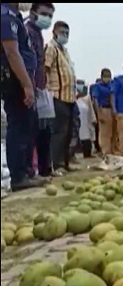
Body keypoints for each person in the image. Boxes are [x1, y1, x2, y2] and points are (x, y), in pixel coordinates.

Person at [1, 2, 45, 190]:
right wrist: (26, 84)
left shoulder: (14, 15)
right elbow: (12, 52)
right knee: (19, 126)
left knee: (28, 125)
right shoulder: (5, 15)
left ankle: (27, 173)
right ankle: (18, 177)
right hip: (15, 79)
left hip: (23, 77)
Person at [25, 2, 54, 178]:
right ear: (33, 12)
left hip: (40, 88)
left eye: (50, 16)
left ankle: (43, 169)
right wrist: (29, 86)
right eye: (45, 14)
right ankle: (29, 172)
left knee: (44, 130)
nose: (47, 19)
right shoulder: (28, 31)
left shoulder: (38, 34)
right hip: (30, 87)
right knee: (30, 132)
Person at [44, 20, 76, 174]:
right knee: (60, 132)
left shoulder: (65, 51)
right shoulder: (51, 48)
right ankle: (56, 165)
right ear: (55, 32)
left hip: (70, 97)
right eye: (63, 33)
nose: (65, 36)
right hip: (58, 95)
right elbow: (45, 69)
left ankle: (65, 162)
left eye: (67, 33)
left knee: (68, 132)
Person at [91, 69, 116, 156]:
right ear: (102, 77)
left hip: (113, 110)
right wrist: (99, 113)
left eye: (108, 76)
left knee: (113, 133)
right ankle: (106, 153)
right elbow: (95, 100)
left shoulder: (112, 85)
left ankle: (112, 152)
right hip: (103, 109)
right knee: (105, 133)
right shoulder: (97, 86)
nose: (107, 78)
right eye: (105, 76)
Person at [75, 81, 96, 158]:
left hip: (86, 119)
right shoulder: (73, 95)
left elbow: (90, 109)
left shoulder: (87, 96)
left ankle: (87, 153)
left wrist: (93, 119)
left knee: (87, 136)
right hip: (76, 119)